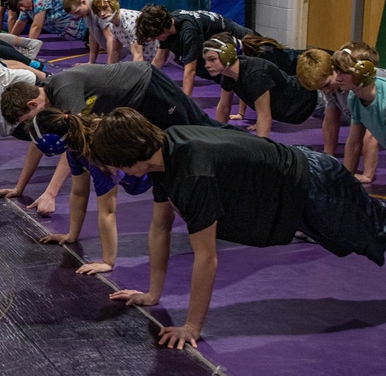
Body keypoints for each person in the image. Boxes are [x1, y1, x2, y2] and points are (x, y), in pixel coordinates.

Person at [90, 107, 386, 350]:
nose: (118, 173)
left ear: (129, 158)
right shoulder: (164, 154)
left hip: (316, 186)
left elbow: (206, 257)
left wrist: (191, 326)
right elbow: (159, 227)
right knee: (372, 233)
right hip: (299, 192)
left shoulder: (193, 170)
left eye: (116, 165)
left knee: (377, 234)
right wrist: (153, 294)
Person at [0, 61, 223, 215]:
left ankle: (247, 148)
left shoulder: (63, 89)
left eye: (26, 118)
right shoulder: (48, 110)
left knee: (198, 129)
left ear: (32, 104)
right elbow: (38, 144)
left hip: (147, 86)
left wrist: (51, 193)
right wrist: (19, 188)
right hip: (135, 103)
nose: (28, 125)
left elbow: (76, 139)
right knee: (169, 147)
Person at [25, 108, 152, 275]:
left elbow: (108, 211)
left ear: (50, 142)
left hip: (161, 171)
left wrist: (107, 262)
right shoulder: (76, 148)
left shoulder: (98, 153)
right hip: (148, 175)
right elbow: (79, 192)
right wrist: (72, 235)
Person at [202, 35, 318, 138]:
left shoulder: (256, 74)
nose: (207, 65)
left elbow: (264, 116)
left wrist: (262, 153)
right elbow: (224, 107)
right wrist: (216, 137)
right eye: (206, 60)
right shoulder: (229, 75)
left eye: (212, 59)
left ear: (227, 55)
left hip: (312, 97)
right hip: (299, 103)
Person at [297, 45, 383, 182]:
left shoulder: (370, 86)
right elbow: (333, 123)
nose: (326, 91)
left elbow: (372, 133)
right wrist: (328, 160)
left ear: (333, 70)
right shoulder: (349, 95)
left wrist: (367, 174)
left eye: (326, 85)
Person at [135, 5, 255, 96]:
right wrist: (143, 81)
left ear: (161, 31)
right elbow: (160, 59)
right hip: (227, 43)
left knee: (252, 81)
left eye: (155, 36)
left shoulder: (189, 31)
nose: (154, 40)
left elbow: (190, 71)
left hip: (249, 44)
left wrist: (186, 106)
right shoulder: (170, 25)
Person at [332, 43, 386, 184]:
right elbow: (354, 142)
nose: (337, 78)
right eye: (336, 71)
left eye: (344, 72)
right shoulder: (354, 98)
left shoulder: (384, 98)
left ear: (364, 72)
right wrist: (346, 180)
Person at [7, 0, 96, 42]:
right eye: (19, 8)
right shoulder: (27, 5)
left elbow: (37, 26)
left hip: (89, 8)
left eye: (21, 5)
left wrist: (29, 47)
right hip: (82, 28)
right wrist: (9, 43)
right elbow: (20, 23)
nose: (23, 9)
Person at [90, 0, 158, 64]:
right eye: (98, 11)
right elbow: (115, 51)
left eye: (105, 8)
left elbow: (138, 56)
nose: (102, 14)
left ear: (114, 5)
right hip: (151, 58)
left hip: (161, 53)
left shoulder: (129, 21)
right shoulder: (112, 26)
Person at [62, 0, 108, 64]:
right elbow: (93, 36)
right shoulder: (86, 12)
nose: (77, 16)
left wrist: (112, 65)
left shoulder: (99, 8)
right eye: (74, 14)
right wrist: (91, 63)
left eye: (77, 12)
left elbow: (111, 39)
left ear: (83, 2)